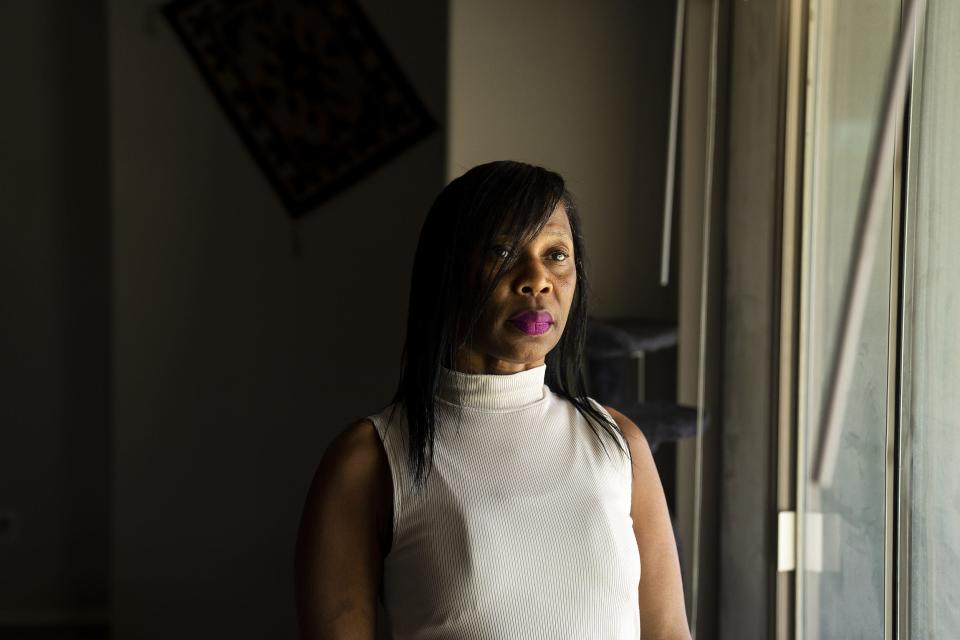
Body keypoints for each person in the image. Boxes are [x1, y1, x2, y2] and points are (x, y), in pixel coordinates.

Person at [294, 160, 690, 639]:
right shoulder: (370, 459)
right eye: (503, 251)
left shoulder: (619, 444)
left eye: (557, 255)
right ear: (448, 272)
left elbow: (668, 632)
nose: (538, 279)